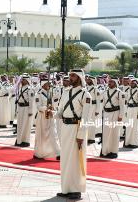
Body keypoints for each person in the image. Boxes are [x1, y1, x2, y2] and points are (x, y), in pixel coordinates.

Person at [56, 69, 92, 200]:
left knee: (76, 160)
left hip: (77, 129)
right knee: (65, 159)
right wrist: (51, 114)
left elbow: (86, 118)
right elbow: (60, 111)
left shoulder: (85, 95)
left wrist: (81, 135)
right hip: (65, 128)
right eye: (70, 75)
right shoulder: (65, 92)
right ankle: (66, 188)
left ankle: (76, 190)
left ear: (79, 78)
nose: (70, 78)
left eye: (73, 76)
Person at [34, 80, 60, 160]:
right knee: (41, 135)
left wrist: (52, 108)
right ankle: (39, 153)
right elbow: (38, 107)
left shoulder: (50, 93)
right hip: (42, 117)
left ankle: (58, 153)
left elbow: (54, 103)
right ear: (43, 85)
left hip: (50, 116)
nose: (49, 85)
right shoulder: (38, 94)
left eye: (49, 84)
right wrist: (46, 108)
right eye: (47, 84)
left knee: (53, 133)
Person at [101, 77, 125, 159]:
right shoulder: (105, 92)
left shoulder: (119, 93)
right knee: (106, 133)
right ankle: (105, 151)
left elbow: (122, 105)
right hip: (107, 114)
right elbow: (102, 104)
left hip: (115, 113)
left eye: (111, 82)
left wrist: (121, 116)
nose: (109, 83)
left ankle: (114, 151)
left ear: (115, 83)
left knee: (114, 133)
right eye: (109, 81)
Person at [15, 74, 35, 147]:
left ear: (27, 81)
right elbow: (18, 99)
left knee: (26, 125)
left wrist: (30, 111)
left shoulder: (30, 89)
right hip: (20, 108)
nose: (21, 81)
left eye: (23, 80)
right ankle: (19, 140)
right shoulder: (20, 88)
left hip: (26, 109)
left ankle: (25, 140)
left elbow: (31, 101)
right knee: (20, 124)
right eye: (21, 80)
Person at [124, 78, 138, 148]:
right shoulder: (128, 91)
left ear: (136, 84)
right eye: (131, 83)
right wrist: (125, 111)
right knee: (129, 126)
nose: (132, 84)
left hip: (135, 109)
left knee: (134, 127)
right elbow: (126, 102)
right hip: (129, 109)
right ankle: (127, 142)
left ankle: (134, 143)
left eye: (133, 83)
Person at [85, 75, 101, 144]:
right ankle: (86, 137)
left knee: (92, 123)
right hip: (87, 107)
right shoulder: (85, 88)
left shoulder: (95, 89)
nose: (87, 80)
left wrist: (97, 110)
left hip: (93, 107)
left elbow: (98, 100)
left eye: (88, 80)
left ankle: (91, 138)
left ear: (92, 81)